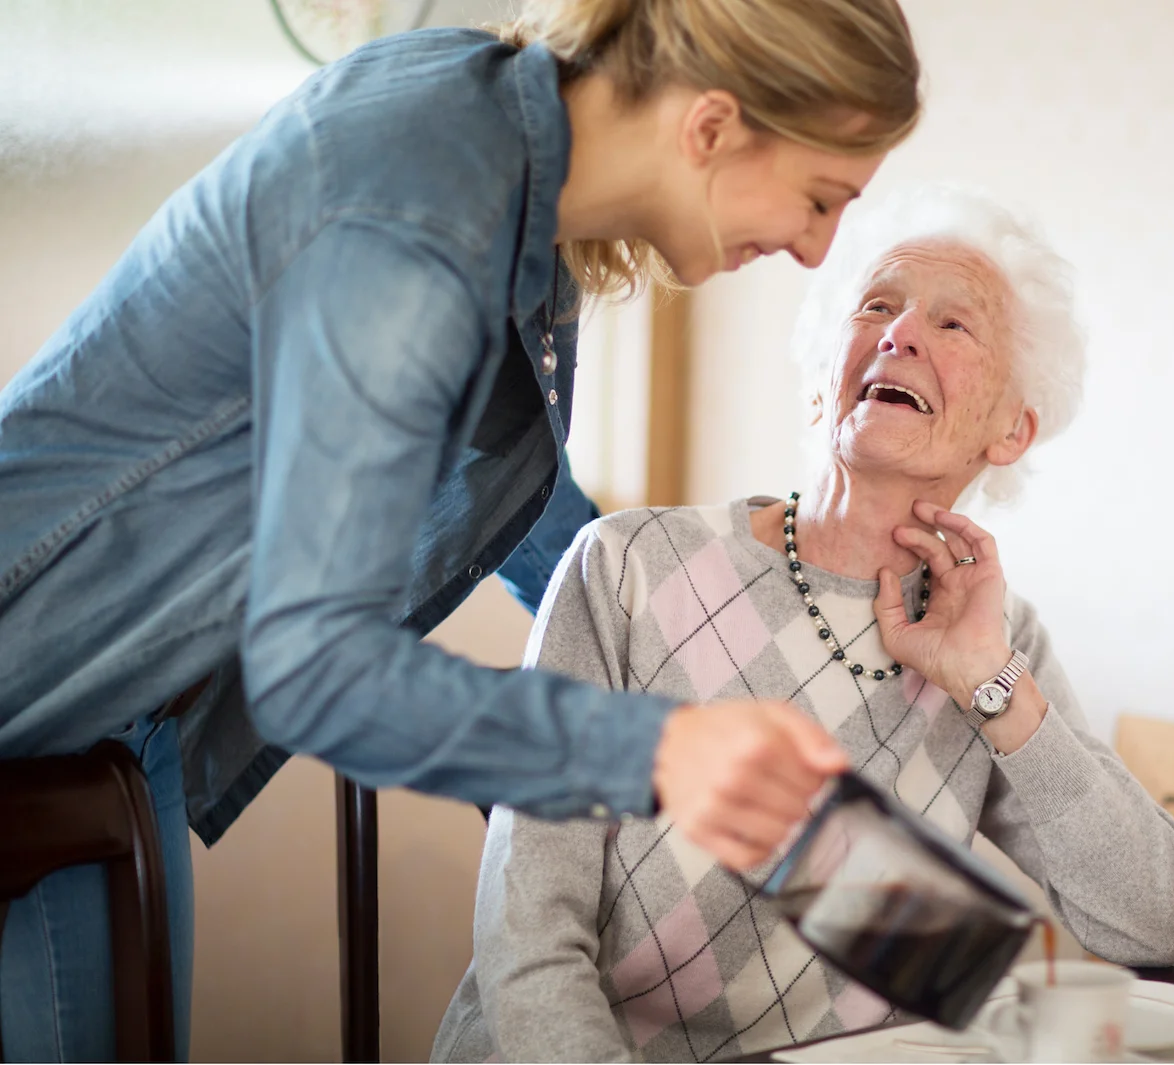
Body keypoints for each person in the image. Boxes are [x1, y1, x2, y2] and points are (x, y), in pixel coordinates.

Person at [0, 0, 920, 1058]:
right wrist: (660, 748)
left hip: (130, 725)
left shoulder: (512, 177)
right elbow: (315, 669)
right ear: (711, 126)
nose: (818, 251)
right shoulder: (419, 217)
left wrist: (697, 682)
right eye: (819, 198)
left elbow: (531, 516)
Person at [432, 187, 1174, 1064]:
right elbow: (527, 930)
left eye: (954, 325)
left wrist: (993, 687)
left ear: (1010, 430)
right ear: (818, 384)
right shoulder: (627, 566)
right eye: (877, 304)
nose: (899, 331)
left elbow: (1153, 918)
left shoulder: (997, 640)